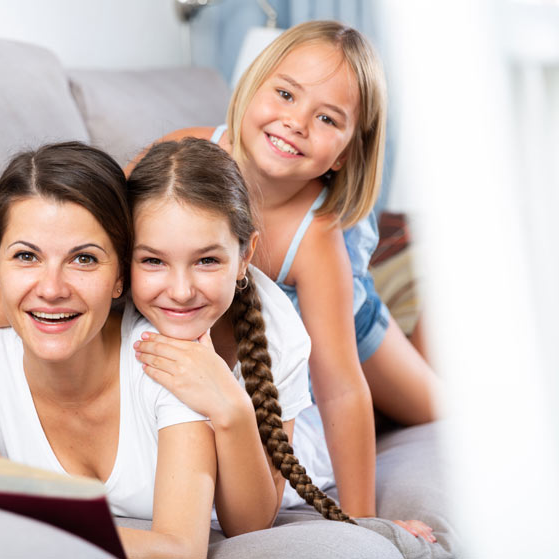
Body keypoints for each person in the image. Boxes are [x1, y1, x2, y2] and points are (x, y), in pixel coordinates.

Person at [0, 138, 433, 543]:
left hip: (289, 441)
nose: (179, 291)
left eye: (207, 260)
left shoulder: (276, 334)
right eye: (153, 260)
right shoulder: (79, 300)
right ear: (124, 261)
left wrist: (230, 407)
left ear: (246, 256)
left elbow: (252, 521)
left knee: (425, 401)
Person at [129, 20, 442, 522]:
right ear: (253, 85)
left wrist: (362, 525)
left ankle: (442, 294)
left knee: (437, 407)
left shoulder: (314, 236)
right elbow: (100, 233)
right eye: (285, 94)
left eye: (327, 119)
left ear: (346, 153)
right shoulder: (184, 151)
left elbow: (340, 387)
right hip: (290, 333)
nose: (296, 122)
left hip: (349, 317)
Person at [0, 142, 217, 559]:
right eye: (25, 256)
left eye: (84, 260)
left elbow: (180, 550)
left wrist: (17, 525)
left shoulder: (165, 361)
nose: (52, 289)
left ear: (120, 275)